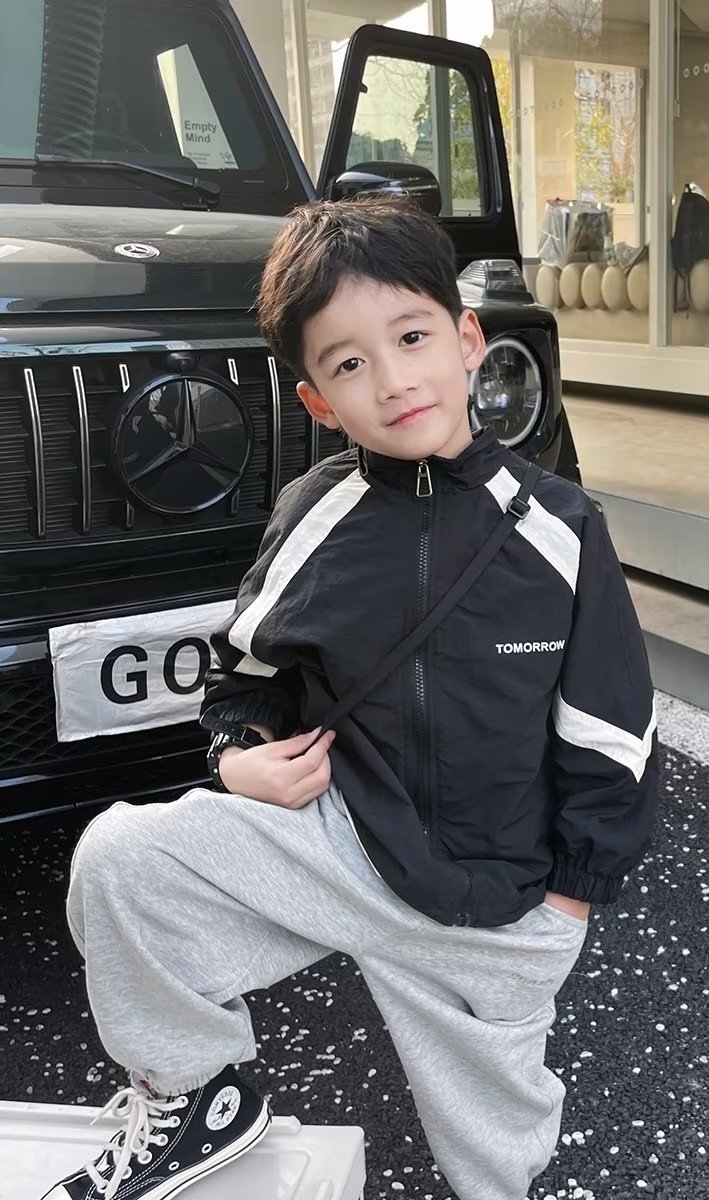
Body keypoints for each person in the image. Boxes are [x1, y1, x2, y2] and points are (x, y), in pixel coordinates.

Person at [51, 197, 659, 1200]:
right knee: (123, 861)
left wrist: (571, 899)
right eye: (348, 363)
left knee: (494, 1161)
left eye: (412, 337)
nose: (393, 379)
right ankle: (196, 1093)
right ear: (319, 401)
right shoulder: (312, 515)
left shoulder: (562, 527)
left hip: (500, 898)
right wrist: (238, 756)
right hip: (338, 847)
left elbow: (612, 730)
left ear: (468, 340)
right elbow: (249, 675)